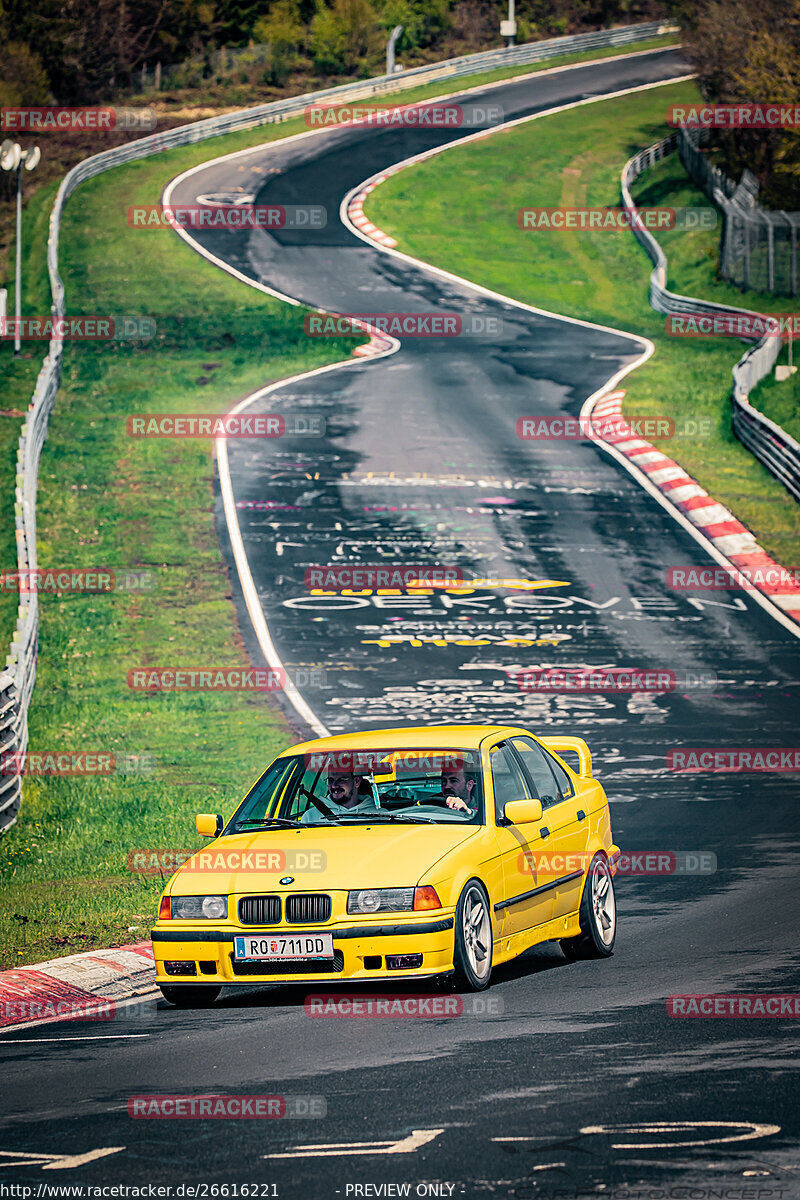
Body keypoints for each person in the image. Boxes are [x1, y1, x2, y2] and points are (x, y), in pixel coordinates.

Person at [299, 767, 379, 823]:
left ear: (356, 781)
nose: (334, 786)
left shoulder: (381, 817)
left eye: (341, 780)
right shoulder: (310, 818)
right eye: (330, 780)